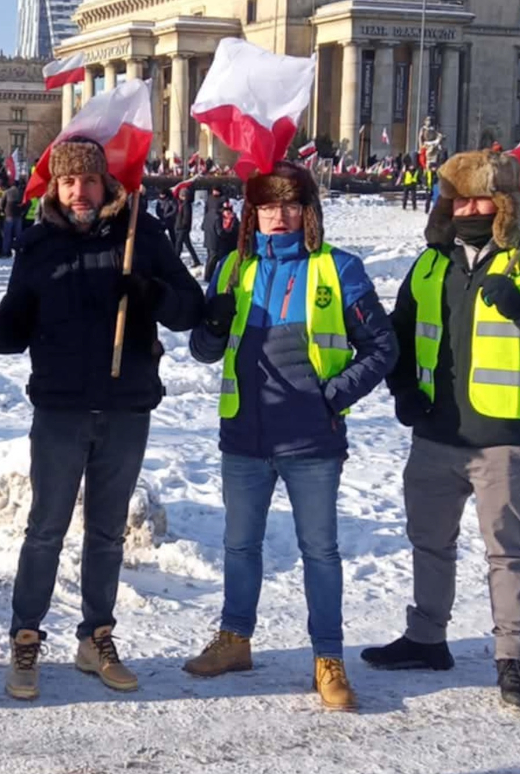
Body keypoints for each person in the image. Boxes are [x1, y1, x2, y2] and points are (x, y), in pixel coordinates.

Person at [0, 137, 204, 701]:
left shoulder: (142, 234)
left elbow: (190, 308)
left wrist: (148, 292)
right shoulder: (39, 243)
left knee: (108, 534)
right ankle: (26, 637)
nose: (79, 192)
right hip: (61, 410)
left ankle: (95, 637)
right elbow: (17, 327)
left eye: (88, 181)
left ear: (105, 183)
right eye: (68, 182)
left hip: (125, 408)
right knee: (45, 530)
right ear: (55, 187)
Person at [362, 150, 520, 713]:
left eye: (479, 198)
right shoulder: (429, 264)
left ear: (506, 204)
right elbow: (398, 337)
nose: (467, 208)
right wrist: (403, 392)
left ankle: (513, 659)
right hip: (436, 433)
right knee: (429, 542)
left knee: (507, 551)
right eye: (458, 199)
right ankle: (426, 638)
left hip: (504, 436)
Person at [185, 160, 397, 712]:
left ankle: (328, 658)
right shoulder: (233, 268)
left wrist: (332, 396)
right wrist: (211, 322)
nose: (279, 216)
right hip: (245, 439)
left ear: (308, 211)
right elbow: (205, 352)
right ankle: (235, 639)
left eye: (290, 205)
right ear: (252, 213)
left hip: (311, 443)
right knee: (239, 545)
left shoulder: (339, 269)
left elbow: (382, 348)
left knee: (320, 552)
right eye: (267, 206)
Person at [204, 201, 240, 284]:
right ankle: (209, 277)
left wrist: (229, 233)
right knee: (213, 260)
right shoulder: (219, 218)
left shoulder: (234, 220)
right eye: (226, 210)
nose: (227, 213)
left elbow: (235, 231)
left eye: (229, 211)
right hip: (220, 244)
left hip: (231, 244)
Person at [173, 186, 200, 268]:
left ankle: (175, 261)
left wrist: (182, 225)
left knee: (178, 244)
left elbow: (186, 217)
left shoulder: (186, 205)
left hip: (183, 228)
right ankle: (196, 260)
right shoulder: (181, 204)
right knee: (188, 245)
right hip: (180, 227)